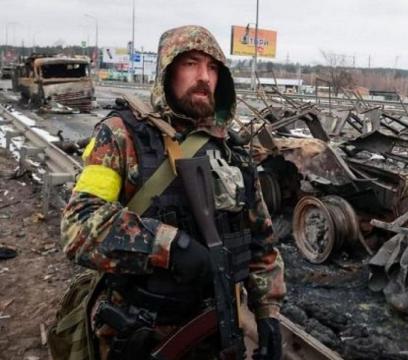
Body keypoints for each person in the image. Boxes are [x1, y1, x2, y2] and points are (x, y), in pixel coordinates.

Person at [59, 25, 285, 359]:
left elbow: (261, 242)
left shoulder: (231, 151)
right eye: (191, 63)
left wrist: (268, 314)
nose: (204, 77)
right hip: (142, 331)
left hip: (214, 330)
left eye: (212, 68)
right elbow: (78, 227)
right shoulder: (122, 135)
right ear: (167, 70)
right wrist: (168, 245)